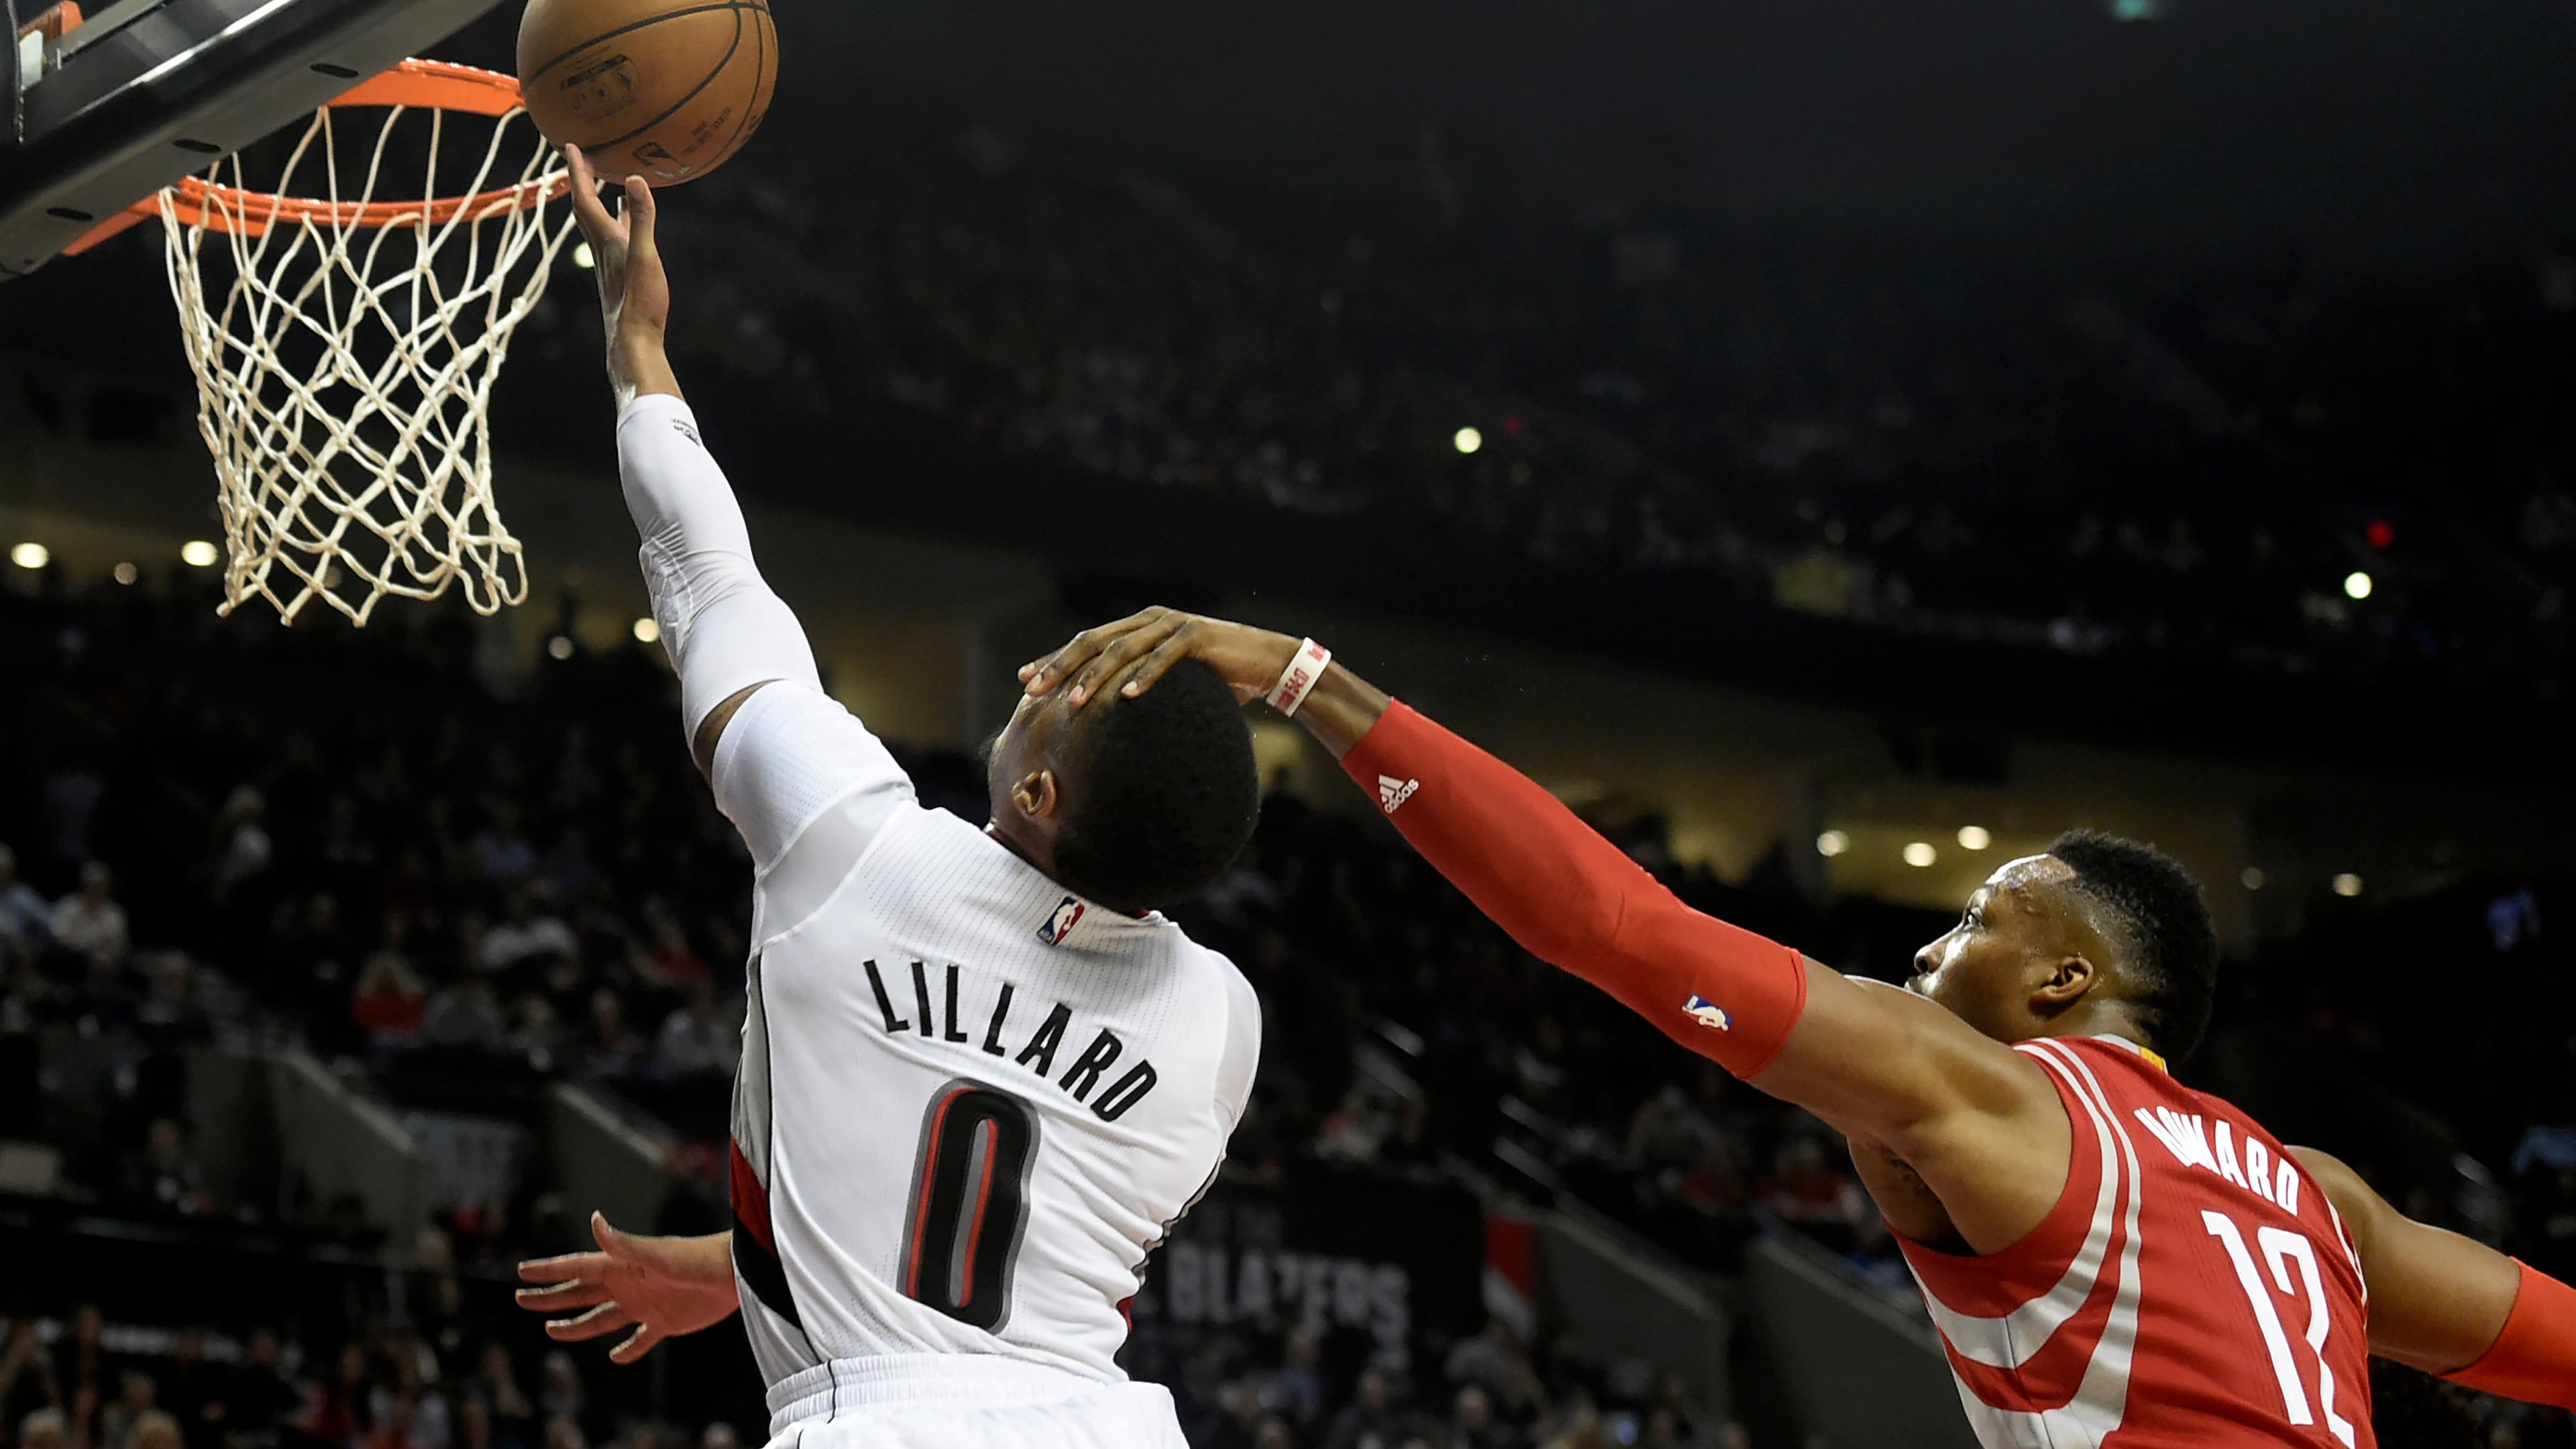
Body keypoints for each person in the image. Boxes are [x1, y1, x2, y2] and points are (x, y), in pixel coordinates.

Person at [1018, 608, 2576, 1446]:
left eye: (1980, 921)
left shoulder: (1999, 1095)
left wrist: (1312, 680)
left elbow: (1622, 931)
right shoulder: (2318, 1198)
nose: (1931, 946)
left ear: (2064, 985)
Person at [512, 152, 1265, 1449]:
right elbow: (997, 1242)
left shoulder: (852, 839)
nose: (1033, 677)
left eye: (1057, 690)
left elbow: (705, 571)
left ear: (1041, 791)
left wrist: (639, 346)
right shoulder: (1218, 1023)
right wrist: (744, 1270)